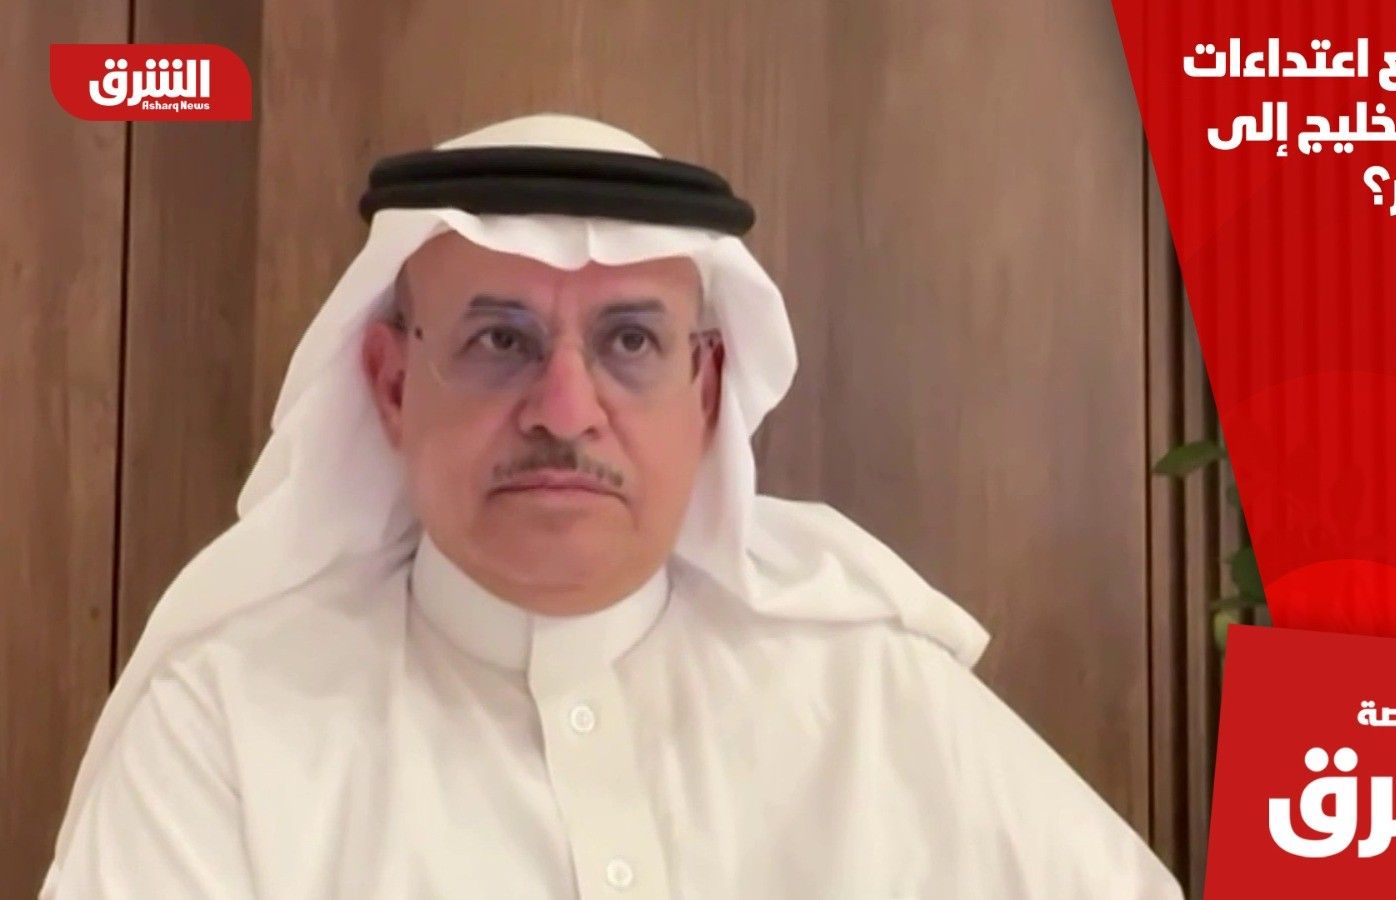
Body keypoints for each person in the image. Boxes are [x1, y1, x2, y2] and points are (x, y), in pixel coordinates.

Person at [43, 113, 1183, 899]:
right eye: (499, 341)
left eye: (630, 341)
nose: (564, 409)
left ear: (708, 390)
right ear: (391, 383)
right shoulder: (227, 724)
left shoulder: (881, 701)